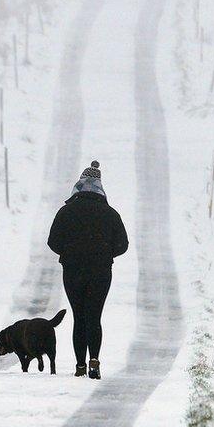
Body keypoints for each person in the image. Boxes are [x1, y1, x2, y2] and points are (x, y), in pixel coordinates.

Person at [47, 160, 128, 379]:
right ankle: (94, 361)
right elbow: (123, 245)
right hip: (101, 271)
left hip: (72, 270)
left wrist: (70, 252)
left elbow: (53, 242)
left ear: (79, 185)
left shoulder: (66, 212)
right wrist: (105, 253)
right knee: (94, 316)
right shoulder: (110, 213)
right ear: (100, 187)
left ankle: (80, 365)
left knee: (79, 316)